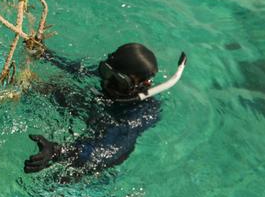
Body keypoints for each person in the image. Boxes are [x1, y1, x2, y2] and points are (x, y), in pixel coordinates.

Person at [22, 42, 185, 177]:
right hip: (96, 113)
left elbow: (104, 151)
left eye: (118, 81)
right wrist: (44, 53)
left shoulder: (142, 112)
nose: (107, 82)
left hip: (105, 154)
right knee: (54, 88)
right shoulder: (111, 76)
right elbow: (76, 69)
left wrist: (58, 151)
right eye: (105, 71)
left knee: (61, 178)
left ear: (142, 84)